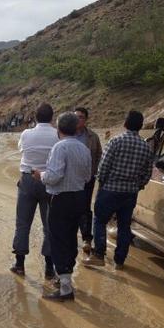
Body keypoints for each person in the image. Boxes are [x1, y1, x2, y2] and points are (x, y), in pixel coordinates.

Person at [83, 111, 154, 270]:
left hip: (110, 189)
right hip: (130, 193)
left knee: (100, 220)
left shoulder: (115, 141)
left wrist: (102, 183)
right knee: (124, 225)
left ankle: (99, 255)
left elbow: (103, 167)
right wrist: (137, 185)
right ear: (141, 126)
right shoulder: (146, 147)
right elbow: (147, 174)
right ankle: (120, 261)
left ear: (125, 124)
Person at [32, 112, 91, 301]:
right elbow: (88, 176)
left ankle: (65, 288)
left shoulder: (60, 147)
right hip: (79, 198)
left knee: (57, 240)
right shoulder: (84, 148)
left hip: (61, 199)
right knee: (71, 238)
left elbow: (54, 176)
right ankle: (65, 278)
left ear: (58, 129)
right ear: (76, 128)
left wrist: (40, 175)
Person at [10, 103, 59, 279]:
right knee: (49, 225)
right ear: (52, 117)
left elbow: (22, 150)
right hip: (49, 181)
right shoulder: (57, 135)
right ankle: (48, 268)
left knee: (23, 223)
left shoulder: (26, 134)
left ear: (35, 117)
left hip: (28, 179)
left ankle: (20, 264)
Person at [73, 107, 103, 254]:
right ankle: (70, 238)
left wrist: (93, 172)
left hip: (87, 179)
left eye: (81, 117)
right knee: (69, 208)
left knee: (85, 208)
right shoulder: (65, 134)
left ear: (86, 119)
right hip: (69, 180)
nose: (78, 119)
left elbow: (98, 155)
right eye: (76, 117)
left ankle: (86, 239)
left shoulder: (92, 137)